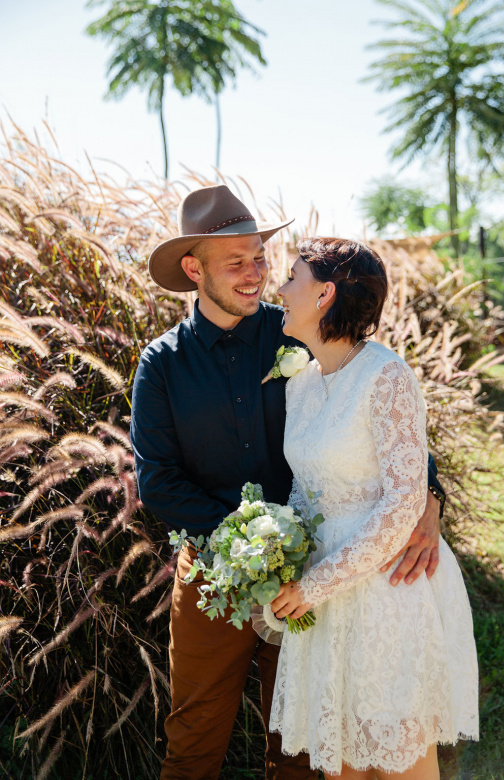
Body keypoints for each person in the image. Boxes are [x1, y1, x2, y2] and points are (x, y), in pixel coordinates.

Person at [130, 185, 446, 780]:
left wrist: (429, 498)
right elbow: (158, 482)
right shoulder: (163, 363)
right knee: (194, 735)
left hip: (316, 571)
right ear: (194, 269)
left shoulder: (302, 328)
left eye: (260, 258)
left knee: (300, 740)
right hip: (213, 575)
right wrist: (247, 547)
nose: (256, 275)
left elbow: (384, 415)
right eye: (236, 262)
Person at [269, 237, 479, 779]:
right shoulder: (302, 384)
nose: (280, 289)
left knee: (399, 761)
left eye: (292, 277)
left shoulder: (387, 378)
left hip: (388, 590)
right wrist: (277, 553)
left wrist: (314, 586)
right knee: (339, 763)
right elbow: (306, 488)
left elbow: (404, 503)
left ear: (324, 294)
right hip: (324, 600)